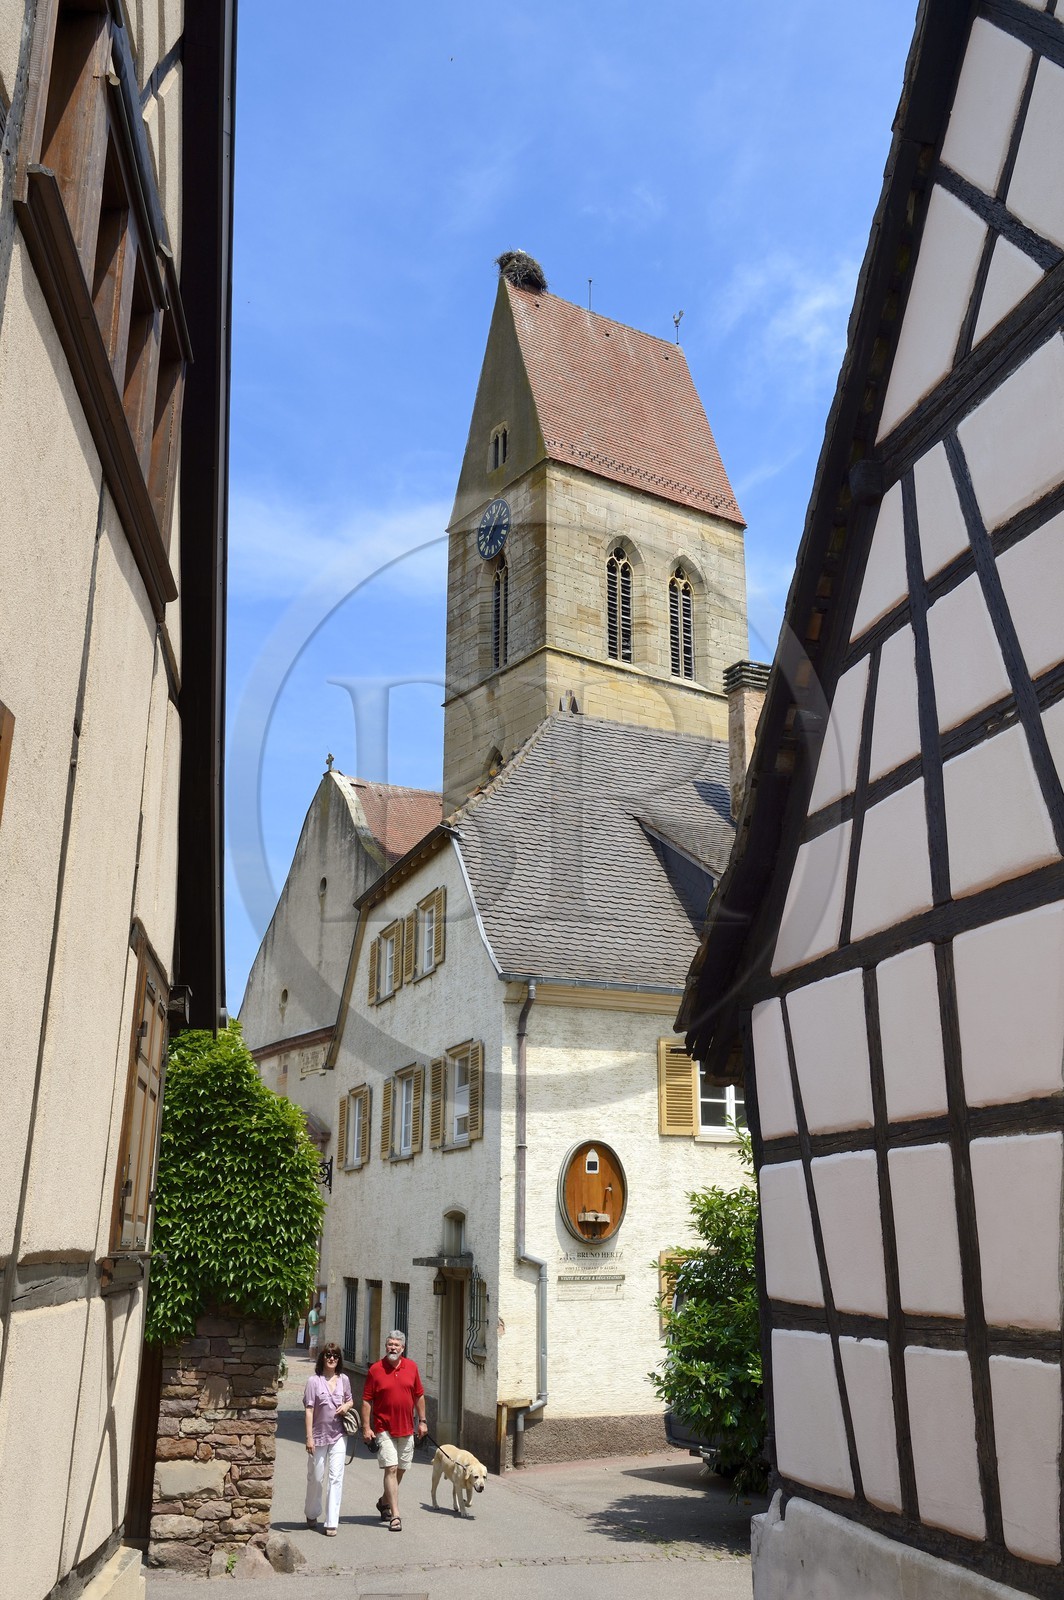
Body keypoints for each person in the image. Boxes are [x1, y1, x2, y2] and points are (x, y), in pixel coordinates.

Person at [361, 1329, 428, 1531]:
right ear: (385, 1346)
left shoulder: (412, 1368)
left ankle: (383, 1501)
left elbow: (419, 1396)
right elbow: (366, 1401)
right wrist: (366, 1427)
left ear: (403, 1348)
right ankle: (395, 1515)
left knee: (400, 1470)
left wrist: (422, 1421)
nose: (393, 1347)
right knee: (390, 1468)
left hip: (407, 1428)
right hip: (383, 1429)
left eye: (396, 1345)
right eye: (390, 1344)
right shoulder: (375, 1369)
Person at [304, 1342, 353, 1535]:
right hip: (317, 1435)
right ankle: (312, 1512)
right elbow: (309, 1410)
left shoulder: (344, 1380)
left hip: (339, 1434)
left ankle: (331, 1521)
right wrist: (309, 1437)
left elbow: (350, 1399)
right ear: (322, 1358)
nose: (332, 1358)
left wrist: (347, 1406)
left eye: (335, 1356)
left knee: (336, 1477)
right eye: (328, 1355)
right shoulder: (313, 1381)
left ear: (339, 1360)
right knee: (316, 1477)